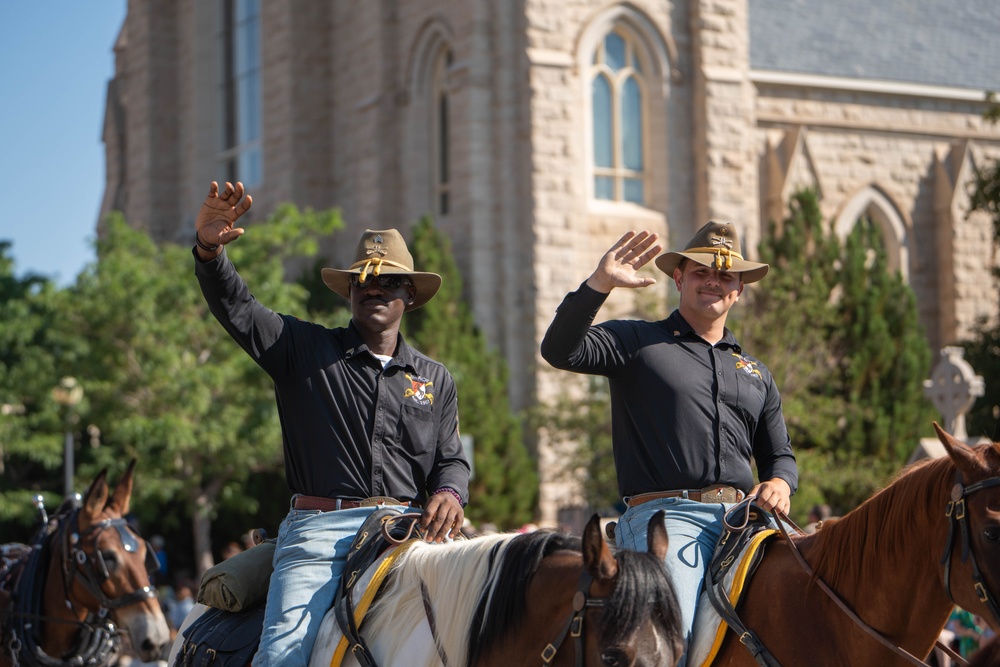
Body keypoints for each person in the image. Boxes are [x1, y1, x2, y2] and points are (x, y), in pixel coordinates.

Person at [193, 180, 470, 666]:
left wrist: (449, 493)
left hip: (408, 534)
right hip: (320, 534)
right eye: (363, 280)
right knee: (283, 656)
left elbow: (450, 459)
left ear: (410, 295)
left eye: (388, 281)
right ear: (350, 293)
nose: (374, 287)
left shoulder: (435, 378)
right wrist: (210, 251)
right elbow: (238, 308)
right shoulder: (303, 350)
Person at [540, 223, 797, 665]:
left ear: (739, 290)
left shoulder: (755, 372)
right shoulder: (637, 343)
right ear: (678, 279)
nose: (713, 280)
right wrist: (599, 284)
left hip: (747, 520)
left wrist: (781, 483)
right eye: (700, 272)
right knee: (670, 636)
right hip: (667, 521)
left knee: (812, 602)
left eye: (726, 275)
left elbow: (780, 455)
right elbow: (561, 350)